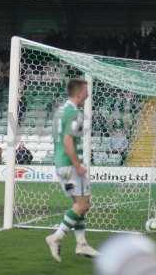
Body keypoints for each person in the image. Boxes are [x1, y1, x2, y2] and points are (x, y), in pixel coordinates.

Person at [46, 78, 98, 263]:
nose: (88, 93)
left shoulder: (60, 111)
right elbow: (68, 140)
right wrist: (78, 165)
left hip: (60, 165)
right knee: (83, 205)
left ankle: (82, 244)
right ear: (79, 92)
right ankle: (56, 237)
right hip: (69, 165)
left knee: (80, 204)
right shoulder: (75, 113)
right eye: (86, 90)